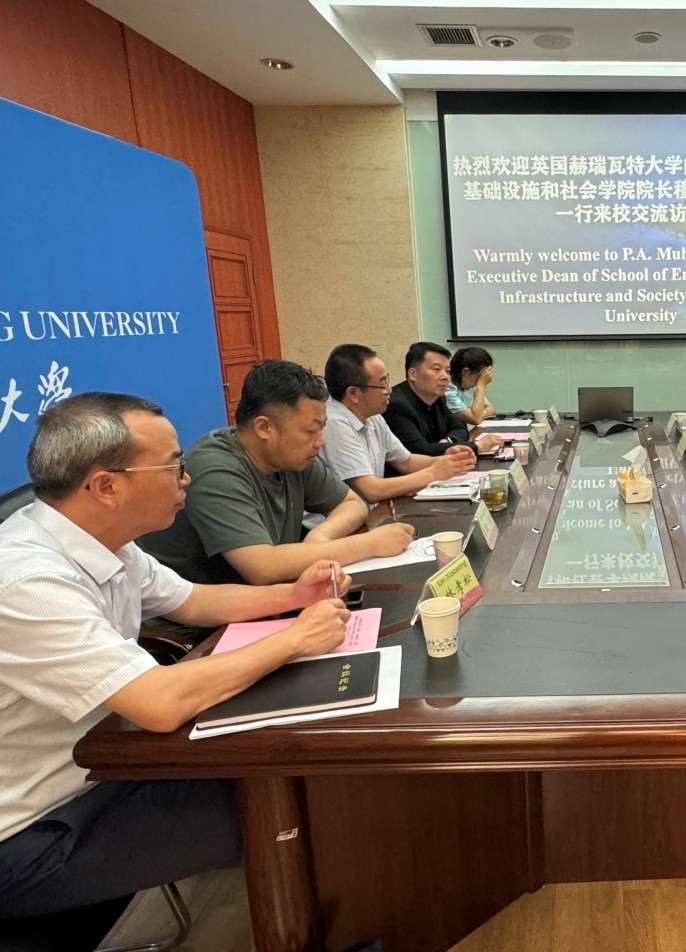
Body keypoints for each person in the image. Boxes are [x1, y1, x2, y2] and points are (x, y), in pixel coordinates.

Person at [0, 393, 352, 919]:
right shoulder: (26, 582)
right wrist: (295, 639)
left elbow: (193, 600)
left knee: (301, 772)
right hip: (38, 827)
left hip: (106, 765)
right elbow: (159, 703)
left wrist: (294, 595)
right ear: (106, 486)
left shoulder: (104, 539)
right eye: (172, 466)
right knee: (303, 803)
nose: (185, 478)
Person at [141, 360, 414, 586]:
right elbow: (262, 567)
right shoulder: (214, 467)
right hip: (204, 624)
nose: (320, 441)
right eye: (311, 430)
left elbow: (351, 504)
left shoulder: (292, 456)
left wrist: (319, 539)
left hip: (268, 600)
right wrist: (368, 544)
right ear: (264, 428)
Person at [321, 343, 476, 503]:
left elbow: (406, 462)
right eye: (382, 384)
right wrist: (433, 473)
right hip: (347, 516)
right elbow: (371, 491)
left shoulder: (373, 417)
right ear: (353, 393)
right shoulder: (334, 423)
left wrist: (447, 461)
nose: (389, 390)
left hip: (373, 511)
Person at [384, 342, 501, 457]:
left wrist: (447, 442)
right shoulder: (395, 405)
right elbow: (420, 450)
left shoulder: (438, 398)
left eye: (447, 371)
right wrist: (477, 446)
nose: (445, 377)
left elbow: (460, 428)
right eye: (436, 369)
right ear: (413, 374)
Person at [446, 345, 497, 426]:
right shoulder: (447, 390)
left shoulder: (471, 388)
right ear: (465, 372)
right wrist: (481, 386)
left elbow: (491, 409)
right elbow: (475, 419)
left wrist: (478, 414)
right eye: (483, 374)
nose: (485, 378)